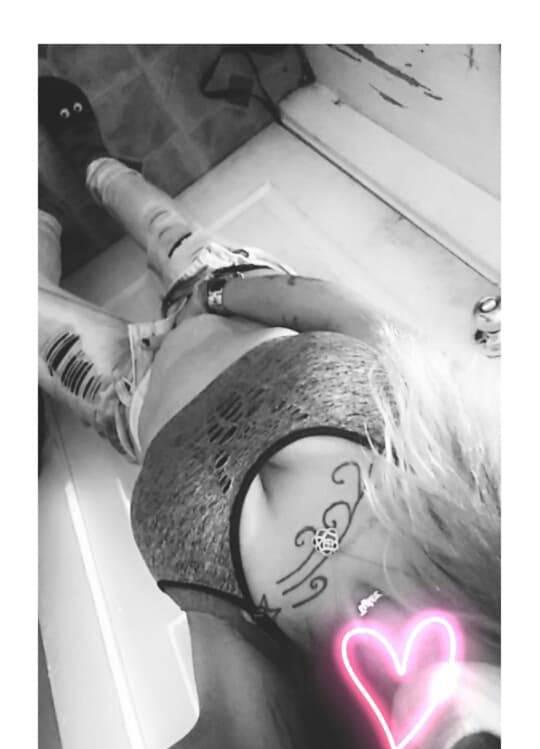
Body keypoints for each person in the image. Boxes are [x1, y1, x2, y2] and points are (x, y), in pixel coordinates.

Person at [39, 76, 501, 748]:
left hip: (127, 395)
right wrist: (215, 296)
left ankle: (39, 212)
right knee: (153, 216)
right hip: (222, 290)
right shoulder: (480, 489)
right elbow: (343, 314)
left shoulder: (270, 702)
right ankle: (90, 159)